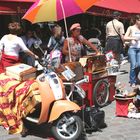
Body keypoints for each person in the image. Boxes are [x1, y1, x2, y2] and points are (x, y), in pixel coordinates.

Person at [124, 15, 140, 88]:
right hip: (132, 49)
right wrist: (133, 38)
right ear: (136, 20)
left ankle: (135, 77)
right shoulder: (131, 28)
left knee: (139, 65)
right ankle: (132, 81)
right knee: (133, 65)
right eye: (139, 20)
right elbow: (125, 37)